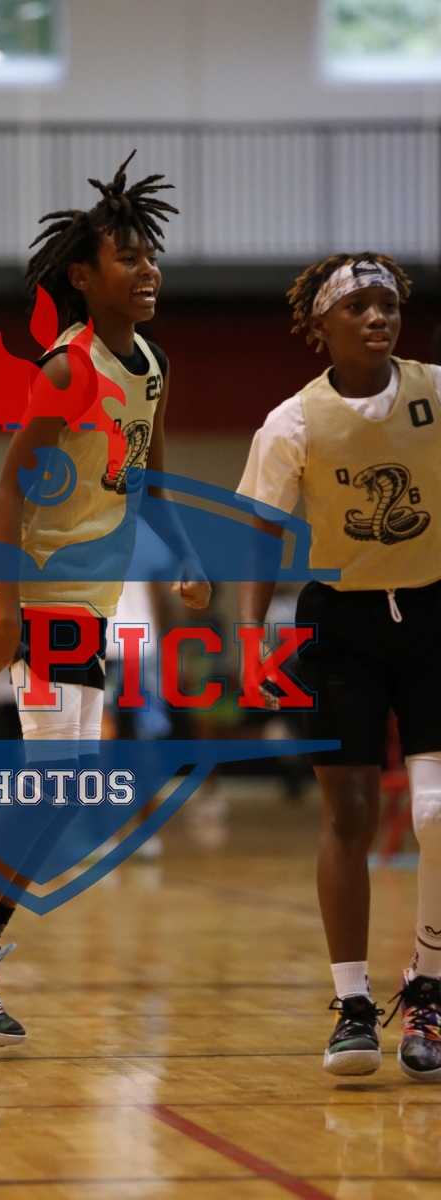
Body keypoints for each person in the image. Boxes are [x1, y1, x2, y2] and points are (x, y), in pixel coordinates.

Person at [0, 152, 211, 1045]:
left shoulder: (151, 364)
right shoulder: (70, 369)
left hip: (90, 599)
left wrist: (186, 555)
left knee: (65, 790)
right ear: (83, 276)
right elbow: (6, 490)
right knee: (52, 788)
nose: (148, 269)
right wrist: (5, 614)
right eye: (128, 257)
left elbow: (152, 475)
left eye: (153, 255)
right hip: (39, 596)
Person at [238, 254, 441, 1081]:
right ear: (319, 326)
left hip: (433, 613)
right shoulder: (292, 422)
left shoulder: (437, 393)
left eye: (387, 303)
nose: (377, 316)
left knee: (436, 813)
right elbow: (260, 530)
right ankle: (353, 1005)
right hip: (341, 624)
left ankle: (428, 989)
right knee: (348, 814)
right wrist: (250, 634)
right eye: (357, 306)